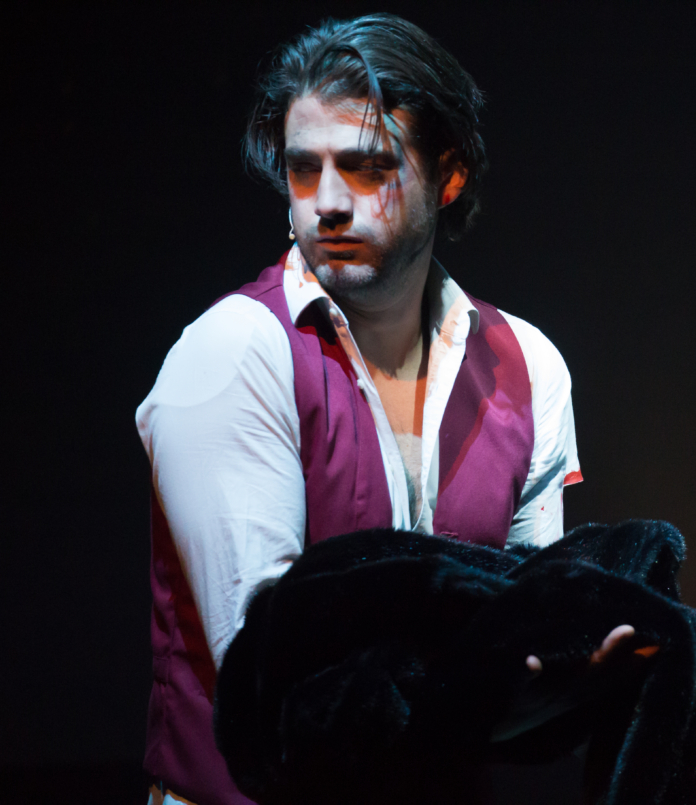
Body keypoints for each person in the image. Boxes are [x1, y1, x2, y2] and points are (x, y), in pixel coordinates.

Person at [136, 15, 583, 804]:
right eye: (304, 170)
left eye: (367, 167)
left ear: (449, 175)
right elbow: (277, 685)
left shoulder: (528, 364)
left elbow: (527, 630)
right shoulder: (235, 350)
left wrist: (591, 669)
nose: (328, 204)